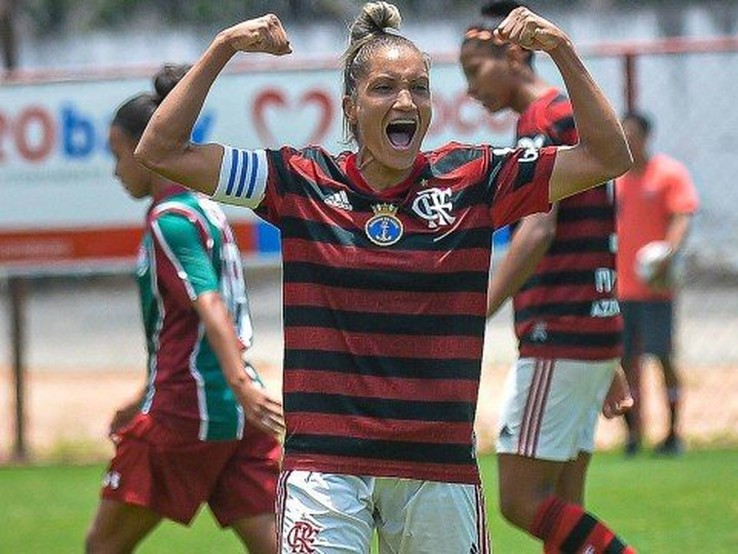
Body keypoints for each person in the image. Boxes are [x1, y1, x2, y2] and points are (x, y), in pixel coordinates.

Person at [133, 3, 631, 552]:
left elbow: (608, 156)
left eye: (419, 88)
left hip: (438, 469)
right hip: (325, 470)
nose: (405, 102)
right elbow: (161, 150)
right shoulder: (299, 181)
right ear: (351, 107)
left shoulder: (476, 178)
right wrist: (224, 46)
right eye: (385, 88)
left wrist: (561, 49)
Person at [85, 64, 284, 554]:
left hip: (189, 410)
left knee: (102, 546)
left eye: (118, 154)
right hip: (234, 412)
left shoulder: (169, 220)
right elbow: (187, 331)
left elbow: (209, 304)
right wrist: (144, 396)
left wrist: (237, 384)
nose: (116, 170)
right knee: (275, 546)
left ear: (144, 148)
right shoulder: (208, 209)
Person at [459, 2, 635, 552]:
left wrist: (473, 313)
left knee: (520, 500)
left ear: (513, 56)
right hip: (592, 329)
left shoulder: (540, 121)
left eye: (474, 70)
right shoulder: (567, 113)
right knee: (563, 503)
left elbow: (537, 231)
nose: (470, 88)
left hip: (557, 330)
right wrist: (607, 353)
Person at [614, 112, 698, 456]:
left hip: (656, 288)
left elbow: (682, 217)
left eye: (632, 135)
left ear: (646, 137)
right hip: (621, 288)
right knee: (624, 362)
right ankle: (633, 434)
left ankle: (673, 433)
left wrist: (668, 254)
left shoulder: (667, 174)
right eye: (623, 135)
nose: (628, 141)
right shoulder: (615, 180)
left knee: (662, 357)